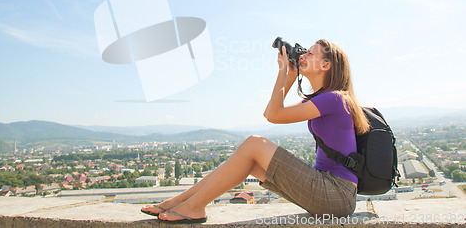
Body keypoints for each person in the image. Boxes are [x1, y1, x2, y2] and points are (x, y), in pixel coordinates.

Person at [140, 39, 369, 223]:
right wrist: (289, 75)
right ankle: (178, 202)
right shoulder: (324, 99)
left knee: (254, 143)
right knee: (248, 161)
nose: (303, 56)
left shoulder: (335, 99)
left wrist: (282, 72)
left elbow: (275, 115)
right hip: (329, 191)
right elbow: (270, 113)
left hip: (335, 194)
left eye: (310, 53)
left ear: (326, 65)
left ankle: (194, 207)